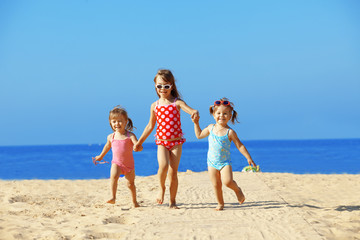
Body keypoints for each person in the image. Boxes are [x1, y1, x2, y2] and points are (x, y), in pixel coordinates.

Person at [133, 69, 199, 209]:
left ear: (172, 86)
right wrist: (139, 142)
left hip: (176, 142)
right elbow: (150, 126)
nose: (163, 89)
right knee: (163, 166)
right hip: (162, 142)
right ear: (155, 87)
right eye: (159, 86)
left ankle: (173, 201)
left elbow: (189, 109)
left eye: (166, 86)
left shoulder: (177, 102)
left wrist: (194, 113)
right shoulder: (154, 106)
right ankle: (161, 188)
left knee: (173, 171)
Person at [192, 98, 256, 211]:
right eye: (218, 113)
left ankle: (237, 190)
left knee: (227, 182)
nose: (221, 116)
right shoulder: (210, 128)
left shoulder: (230, 132)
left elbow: (240, 145)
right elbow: (199, 135)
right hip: (211, 162)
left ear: (230, 116)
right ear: (213, 114)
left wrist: (248, 157)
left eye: (225, 113)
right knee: (216, 185)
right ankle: (220, 204)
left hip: (225, 162)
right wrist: (196, 123)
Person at [92, 106, 142, 208]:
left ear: (126, 121)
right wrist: (100, 156)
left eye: (120, 121)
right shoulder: (111, 137)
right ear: (110, 122)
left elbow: (137, 146)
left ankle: (134, 202)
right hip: (117, 163)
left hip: (129, 165)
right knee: (113, 178)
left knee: (131, 184)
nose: (117, 124)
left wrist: (137, 148)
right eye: (114, 121)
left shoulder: (130, 135)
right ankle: (113, 197)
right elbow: (107, 147)